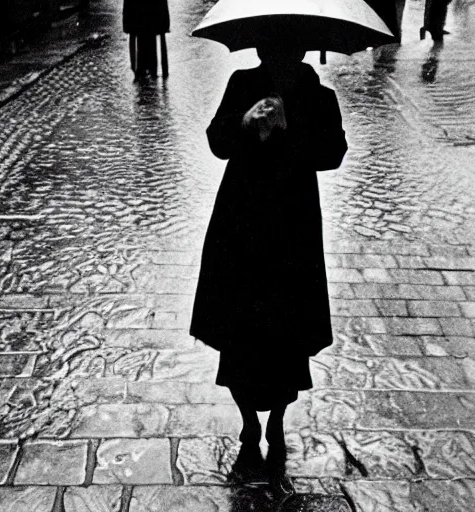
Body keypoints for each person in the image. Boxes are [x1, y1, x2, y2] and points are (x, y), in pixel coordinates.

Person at [189, 34, 348, 497]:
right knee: (240, 330)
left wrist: (288, 127)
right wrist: (245, 121)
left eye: (280, 49)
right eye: (266, 47)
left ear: (298, 51)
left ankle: (275, 422)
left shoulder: (320, 96)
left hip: (291, 231)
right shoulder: (242, 84)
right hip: (239, 223)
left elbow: (332, 152)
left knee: (285, 332)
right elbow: (218, 141)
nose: (271, 56)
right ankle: (246, 426)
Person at [122, 0, 170, 80]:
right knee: (149, 37)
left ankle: (140, 71)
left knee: (143, 37)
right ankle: (149, 71)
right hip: (151, 14)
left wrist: (127, 23)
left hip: (140, 14)